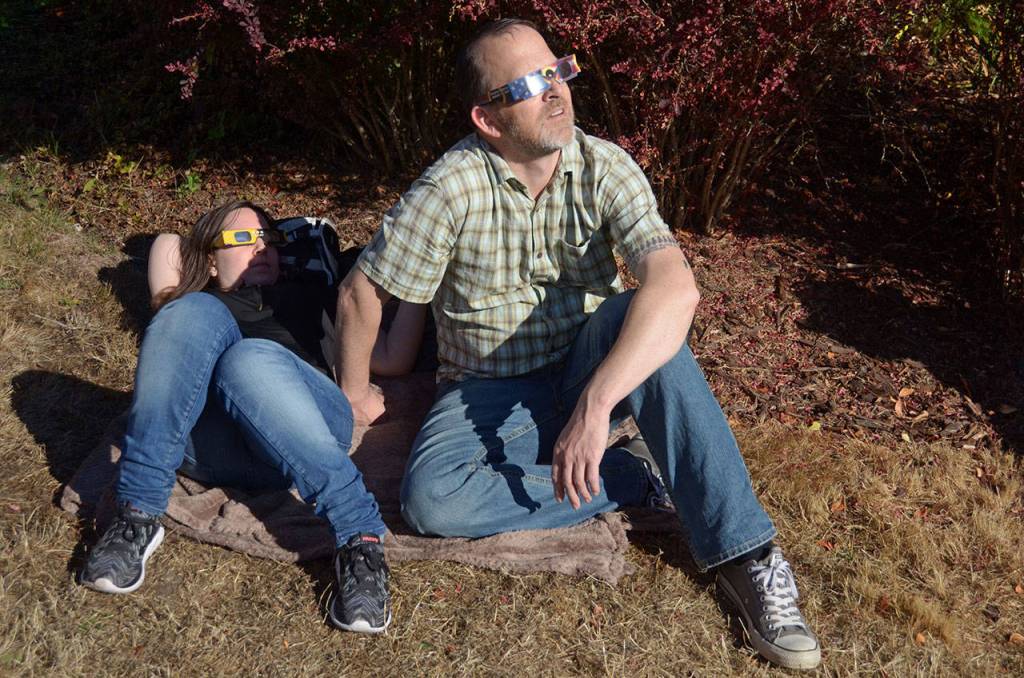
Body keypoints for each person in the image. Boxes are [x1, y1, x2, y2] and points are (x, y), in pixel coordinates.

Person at [335, 19, 821, 669]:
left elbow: (677, 287)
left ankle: (747, 554)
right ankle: (633, 477)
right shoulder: (450, 188)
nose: (555, 90)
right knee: (431, 501)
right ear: (487, 119)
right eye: (528, 84)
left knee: (643, 316)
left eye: (556, 70)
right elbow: (360, 292)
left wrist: (595, 406)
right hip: (485, 390)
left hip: (587, 366)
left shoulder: (603, 165)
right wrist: (352, 394)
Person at [78, 200, 426, 634]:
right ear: (208, 259)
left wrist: (422, 282)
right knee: (187, 310)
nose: (262, 247)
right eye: (243, 238)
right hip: (210, 448)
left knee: (249, 358)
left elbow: (393, 357)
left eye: (270, 239)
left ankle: (360, 535)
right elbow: (168, 244)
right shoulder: (195, 311)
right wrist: (206, 267)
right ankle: (137, 514)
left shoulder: (310, 298)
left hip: (306, 432)